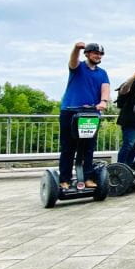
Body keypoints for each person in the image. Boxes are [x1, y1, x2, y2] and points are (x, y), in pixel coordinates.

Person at [58, 42, 110, 189]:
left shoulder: (102, 73)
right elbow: (73, 61)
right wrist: (76, 48)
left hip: (91, 113)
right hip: (70, 110)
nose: (98, 56)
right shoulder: (78, 67)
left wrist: (103, 101)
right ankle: (64, 179)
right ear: (87, 54)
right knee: (68, 147)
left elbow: (105, 88)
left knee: (88, 147)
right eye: (95, 53)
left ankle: (87, 178)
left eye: (100, 54)